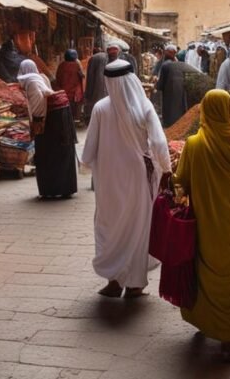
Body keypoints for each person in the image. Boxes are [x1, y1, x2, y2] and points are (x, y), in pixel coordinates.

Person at [174, 89, 230, 362]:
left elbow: (181, 183)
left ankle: (207, 322)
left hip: (206, 230)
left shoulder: (195, 144)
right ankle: (228, 341)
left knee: (205, 276)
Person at [81, 59, 171, 298]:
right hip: (139, 177)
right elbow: (160, 143)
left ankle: (114, 281)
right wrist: (167, 170)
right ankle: (134, 284)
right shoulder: (145, 107)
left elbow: (89, 150)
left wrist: (87, 164)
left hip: (108, 179)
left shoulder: (100, 108)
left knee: (110, 225)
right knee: (138, 227)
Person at [18, 60, 78, 198]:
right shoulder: (40, 77)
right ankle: (65, 188)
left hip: (52, 118)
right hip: (60, 114)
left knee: (47, 153)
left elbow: (38, 104)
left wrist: (37, 125)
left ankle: (50, 189)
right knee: (61, 151)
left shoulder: (31, 82)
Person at [83, 43, 120, 123]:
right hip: (100, 92)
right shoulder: (100, 59)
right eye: (112, 51)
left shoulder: (115, 61)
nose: (114, 53)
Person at [156, 45, 188, 128]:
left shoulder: (165, 65)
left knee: (169, 117)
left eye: (166, 51)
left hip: (169, 96)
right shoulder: (178, 65)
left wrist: (156, 85)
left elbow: (160, 85)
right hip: (179, 95)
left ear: (168, 52)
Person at [55, 49, 85, 122]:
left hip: (63, 92)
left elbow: (57, 77)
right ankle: (75, 120)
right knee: (74, 109)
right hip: (74, 93)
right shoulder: (77, 65)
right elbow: (82, 77)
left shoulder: (61, 65)